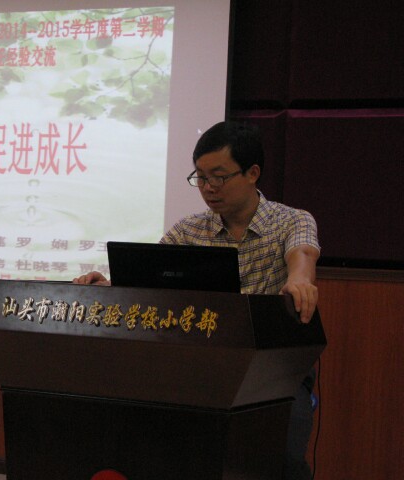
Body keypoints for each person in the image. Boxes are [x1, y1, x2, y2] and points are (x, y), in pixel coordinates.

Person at [74, 121, 320, 480]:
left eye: (219, 177)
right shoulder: (188, 230)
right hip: (203, 368)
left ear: (252, 173)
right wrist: (109, 286)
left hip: (273, 371)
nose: (208, 188)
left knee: (281, 459)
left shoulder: (291, 221)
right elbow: (149, 281)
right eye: (200, 178)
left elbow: (302, 256)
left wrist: (299, 279)